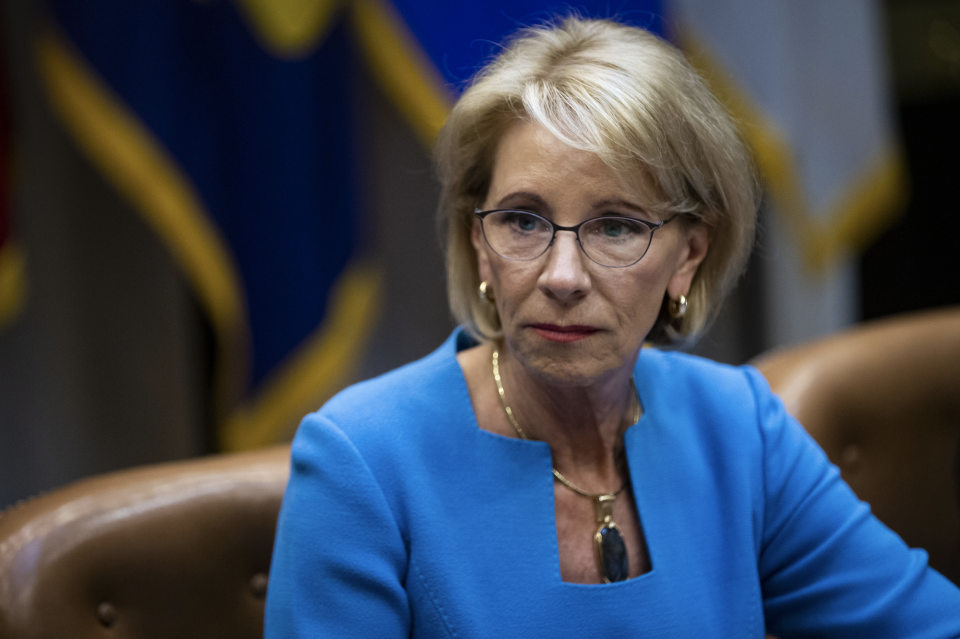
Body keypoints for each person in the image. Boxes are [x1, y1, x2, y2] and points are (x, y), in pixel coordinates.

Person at [265, 16, 960, 637]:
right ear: (479, 241)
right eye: (523, 220)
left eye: (617, 226)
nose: (562, 275)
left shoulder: (739, 427)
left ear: (690, 255)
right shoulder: (361, 462)